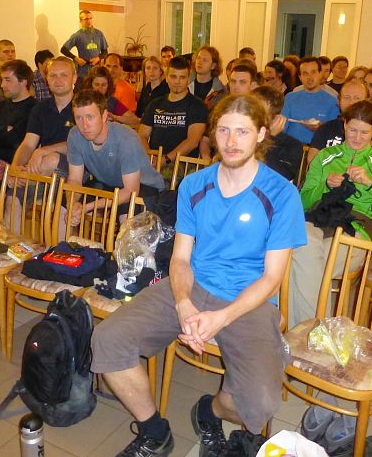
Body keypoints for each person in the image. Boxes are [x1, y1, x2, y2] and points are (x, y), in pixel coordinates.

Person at [91, 94, 306, 456]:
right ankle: (154, 431)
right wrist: (183, 303)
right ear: (213, 132)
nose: (231, 141)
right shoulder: (194, 185)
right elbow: (180, 259)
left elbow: (271, 279)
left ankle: (210, 410)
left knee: (260, 403)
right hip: (193, 285)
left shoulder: (282, 194)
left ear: (260, 134)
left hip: (248, 300)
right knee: (107, 339)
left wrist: (221, 318)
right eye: (223, 130)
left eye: (242, 131)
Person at [290, 101, 372, 327]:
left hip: (355, 227)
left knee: (300, 262)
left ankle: (304, 331)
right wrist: (325, 186)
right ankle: (318, 333)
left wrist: (371, 183)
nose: (357, 137)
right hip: (318, 218)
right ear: (344, 125)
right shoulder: (326, 155)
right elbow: (303, 201)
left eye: (364, 132)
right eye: (352, 130)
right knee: (301, 245)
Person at [67, 89, 165, 219]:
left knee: (125, 212)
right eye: (79, 118)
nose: (84, 125)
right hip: (109, 184)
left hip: (143, 186)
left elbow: (131, 191)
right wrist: (72, 203)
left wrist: (88, 206)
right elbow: (74, 180)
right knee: (65, 204)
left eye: (90, 117)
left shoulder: (126, 138)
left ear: (104, 116)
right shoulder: (74, 135)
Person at [12, 56, 77, 177]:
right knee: (13, 187)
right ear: (46, 79)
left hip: (76, 168)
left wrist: (43, 151)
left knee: (52, 159)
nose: (58, 80)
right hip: (42, 168)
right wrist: (14, 169)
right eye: (53, 75)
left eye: (64, 75)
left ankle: (22, 180)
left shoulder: (84, 107)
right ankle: (19, 180)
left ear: (74, 78)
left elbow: (80, 144)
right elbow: (28, 144)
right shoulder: (40, 108)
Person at [139, 56, 208, 168]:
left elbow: (193, 141)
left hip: (181, 164)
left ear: (188, 79)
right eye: (173, 76)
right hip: (152, 161)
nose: (177, 82)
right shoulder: (155, 104)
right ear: (166, 78)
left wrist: (165, 160)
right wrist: (148, 156)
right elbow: (142, 135)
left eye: (182, 77)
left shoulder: (197, 106)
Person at [309, 79, 372, 162]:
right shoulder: (325, 128)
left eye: (357, 98)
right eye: (346, 97)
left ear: (366, 101)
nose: (351, 102)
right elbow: (312, 160)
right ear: (339, 101)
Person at [281, 57, 339, 145]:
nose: (309, 77)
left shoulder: (332, 101)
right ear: (300, 77)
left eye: (313, 72)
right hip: (290, 147)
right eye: (305, 73)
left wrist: (321, 128)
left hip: (318, 149)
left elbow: (333, 133)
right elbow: (282, 127)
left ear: (320, 74)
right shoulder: (289, 98)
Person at [253, 85, 304, 182]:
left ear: (276, 118)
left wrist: (270, 139)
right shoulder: (242, 136)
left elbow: (280, 178)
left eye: (259, 112)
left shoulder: (291, 145)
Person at [60, 9, 108, 80]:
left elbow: (105, 52)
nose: (89, 21)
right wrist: (76, 58)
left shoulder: (99, 34)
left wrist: (98, 58)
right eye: (86, 19)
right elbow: (63, 49)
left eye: (90, 18)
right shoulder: (77, 35)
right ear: (81, 21)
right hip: (82, 74)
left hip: (97, 73)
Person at [104, 53, 138, 120]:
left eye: (115, 66)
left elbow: (130, 119)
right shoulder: (99, 86)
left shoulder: (127, 90)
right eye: (108, 66)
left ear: (121, 68)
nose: (111, 70)